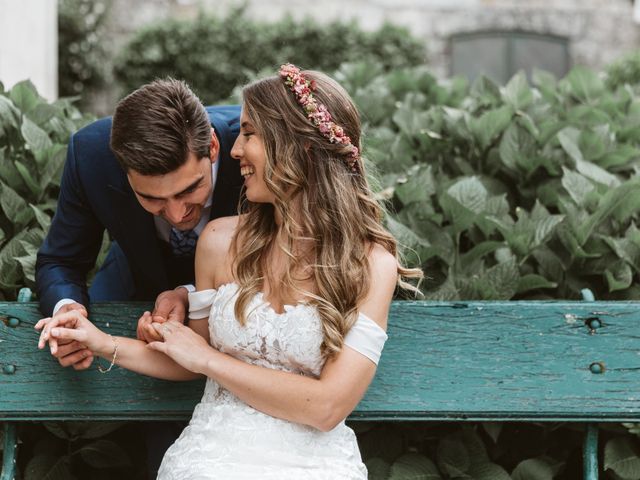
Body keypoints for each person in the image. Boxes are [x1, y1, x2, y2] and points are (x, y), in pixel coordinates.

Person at [36, 64, 422, 479]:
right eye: (153, 200)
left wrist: (204, 355)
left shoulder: (368, 262)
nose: (239, 147)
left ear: (295, 147)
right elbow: (187, 352)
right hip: (207, 450)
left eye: (251, 135)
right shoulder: (220, 239)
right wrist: (96, 337)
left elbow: (326, 405)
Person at [35, 78, 242, 477]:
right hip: (135, 286)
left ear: (213, 148)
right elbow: (60, 260)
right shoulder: (91, 154)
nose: (179, 214)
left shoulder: (255, 144)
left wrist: (191, 293)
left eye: (190, 189)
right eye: (152, 199)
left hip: (237, 302)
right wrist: (68, 309)